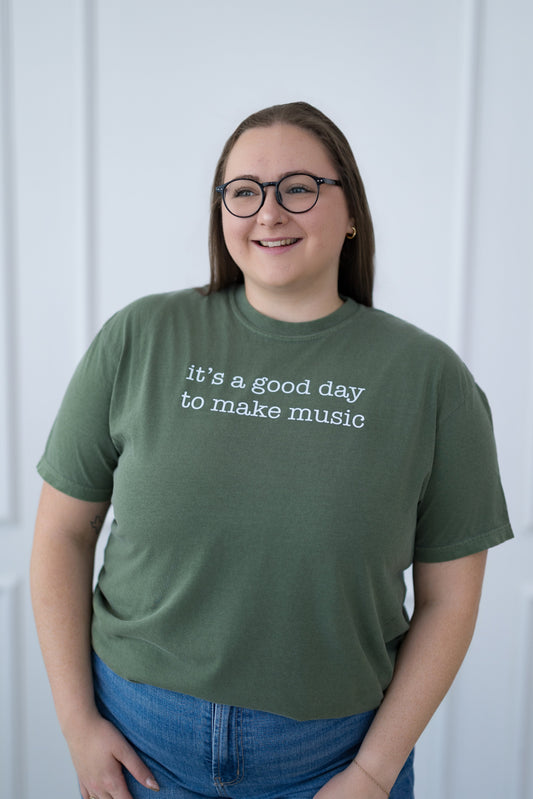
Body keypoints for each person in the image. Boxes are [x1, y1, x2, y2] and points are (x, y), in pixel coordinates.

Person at [30, 101, 513, 799]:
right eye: (244, 191)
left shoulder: (429, 379)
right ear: (221, 211)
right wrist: (77, 723)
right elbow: (61, 533)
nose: (268, 213)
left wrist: (374, 773)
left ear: (350, 211)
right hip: (139, 749)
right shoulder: (139, 338)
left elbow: (449, 601)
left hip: (331, 765)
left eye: (298, 187)